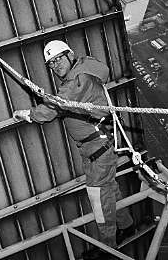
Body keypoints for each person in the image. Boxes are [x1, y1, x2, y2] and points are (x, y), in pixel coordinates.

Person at [13, 40, 134, 255]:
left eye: (59, 59)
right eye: (51, 63)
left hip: (99, 148)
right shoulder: (79, 75)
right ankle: (126, 225)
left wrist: (28, 114)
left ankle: (109, 245)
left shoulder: (80, 79)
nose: (56, 65)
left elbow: (54, 107)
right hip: (94, 149)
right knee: (109, 188)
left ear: (70, 55)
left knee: (98, 195)